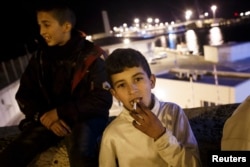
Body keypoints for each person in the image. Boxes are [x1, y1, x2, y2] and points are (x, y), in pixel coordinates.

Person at [0, 1, 112, 167]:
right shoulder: (39, 58)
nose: (42, 32)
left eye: (46, 25)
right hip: (49, 121)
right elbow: (24, 95)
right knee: (10, 155)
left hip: (85, 119)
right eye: (40, 25)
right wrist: (45, 117)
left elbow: (102, 99)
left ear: (66, 26)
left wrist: (60, 112)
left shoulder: (91, 56)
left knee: (81, 154)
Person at [99, 48, 201, 167]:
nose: (132, 90)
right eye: (122, 85)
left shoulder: (173, 113)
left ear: (151, 81)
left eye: (137, 79)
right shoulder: (112, 134)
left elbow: (194, 164)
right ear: (115, 94)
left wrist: (160, 135)